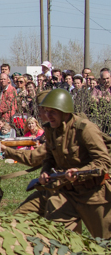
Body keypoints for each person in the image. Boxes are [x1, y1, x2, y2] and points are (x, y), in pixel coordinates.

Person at [20, 89, 111, 238]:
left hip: (94, 194)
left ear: (65, 111)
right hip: (66, 193)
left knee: (105, 243)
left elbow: (103, 162)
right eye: (46, 111)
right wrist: (45, 172)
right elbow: (49, 158)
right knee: (56, 238)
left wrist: (80, 173)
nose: (48, 115)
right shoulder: (50, 130)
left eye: (53, 112)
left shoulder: (85, 129)